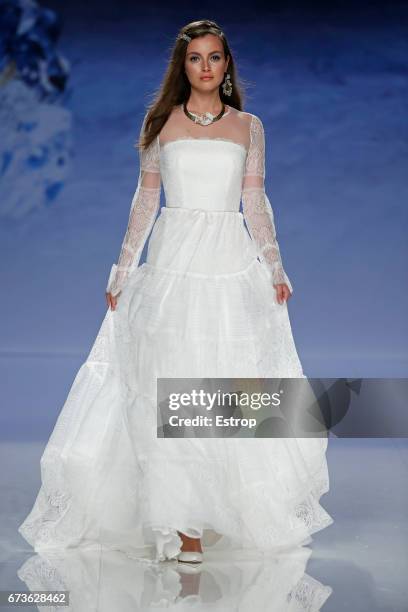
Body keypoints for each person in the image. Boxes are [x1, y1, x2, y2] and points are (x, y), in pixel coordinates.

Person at [18, 19, 333, 565]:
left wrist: (275, 264)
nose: (205, 67)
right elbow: (146, 200)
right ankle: (183, 523)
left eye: (214, 58)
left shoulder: (249, 128)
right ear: (182, 66)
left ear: (226, 65)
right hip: (172, 261)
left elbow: (254, 201)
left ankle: (216, 509)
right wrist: (121, 268)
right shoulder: (160, 122)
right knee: (168, 380)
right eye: (195, 59)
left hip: (228, 261)